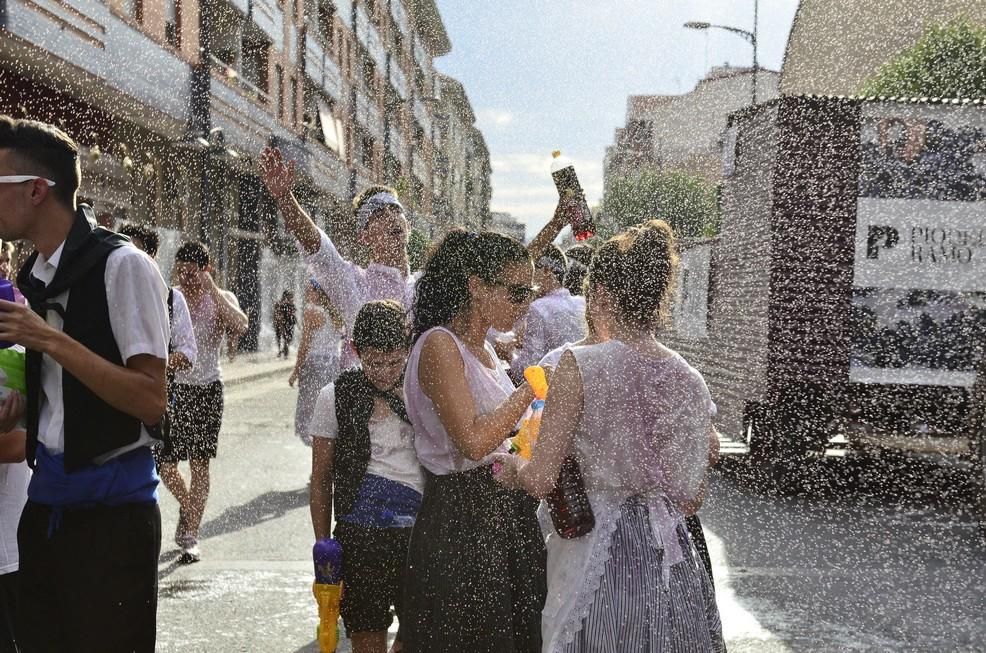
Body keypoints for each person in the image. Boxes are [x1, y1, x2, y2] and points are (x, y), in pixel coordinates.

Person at [493, 220, 724, 652]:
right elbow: (691, 498)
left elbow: (541, 479)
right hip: (668, 558)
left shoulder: (580, 365)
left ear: (599, 294)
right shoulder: (690, 379)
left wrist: (511, 468)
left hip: (593, 547)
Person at [0, 115, 169, 652]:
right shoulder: (37, 274)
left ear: (35, 190)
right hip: (46, 509)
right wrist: (24, 406)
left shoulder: (124, 267)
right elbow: (65, 404)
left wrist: (48, 341)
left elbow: (151, 399)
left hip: (113, 520)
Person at [400, 230, 546, 653]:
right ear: (476, 286)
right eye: (517, 292)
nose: (526, 304)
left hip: (502, 515)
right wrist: (530, 390)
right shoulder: (440, 345)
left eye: (531, 292)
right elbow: (474, 442)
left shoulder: (482, 348)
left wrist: (530, 447)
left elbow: (502, 445)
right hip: (462, 520)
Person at [309, 300, 422, 653]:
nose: (385, 372)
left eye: (394, 361)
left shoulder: (421, 391)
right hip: (360, 534)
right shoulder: (335, 396)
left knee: (418, 633)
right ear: (356, 350)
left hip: (418, 531)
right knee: (366, 633)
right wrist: (323, 543)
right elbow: (321, 475)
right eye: (374, 362)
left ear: (407, 349)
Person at [157, 241, 248, 564]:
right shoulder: (170, 297)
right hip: (173, 390)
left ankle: (191, 534)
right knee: (165, 466)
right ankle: (189, 506)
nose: (186, 278)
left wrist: (211, 289)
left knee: (199, 464)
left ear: (207, 270)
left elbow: (240, 326)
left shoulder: (220, 298)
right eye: (180, 271)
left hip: (208, 389)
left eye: (193, 273)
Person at [117, 223, 198, 375]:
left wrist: (149, 369)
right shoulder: (110, 293)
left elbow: (188, 352)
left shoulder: (172, 299)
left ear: (151, 256)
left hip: (156, 392)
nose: (126, 259)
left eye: (134, 253)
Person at [509, 244, 587, 381]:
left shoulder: (538, 308)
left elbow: (530, 369)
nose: (526, 280)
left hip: (552, 390)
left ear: (546, 270)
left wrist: (508, 354)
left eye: (531, 271)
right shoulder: (583, 303)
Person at [290, 280, 346, 446]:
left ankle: (317, 455)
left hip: (315, 364)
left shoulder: (312, 311)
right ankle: (328, 449)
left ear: (319, 292)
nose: (307, 294)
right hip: (333, 365)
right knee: (327, 410)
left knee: (310, 411)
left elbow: (305, 345)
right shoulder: (337, 313)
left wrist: (296, 372)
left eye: (310, 290)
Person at [273, 290, 298, 359]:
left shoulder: (291, 304)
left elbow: (293, 314)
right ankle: (282, 352)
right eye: (291, 296)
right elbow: (276, 314)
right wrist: (278, 323)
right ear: (286, 296)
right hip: (281, 323)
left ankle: (283, 351)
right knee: (281, 338)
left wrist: (297, 322)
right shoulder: (279, 303)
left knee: (288, 338)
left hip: (290, 323)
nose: (292, 298)